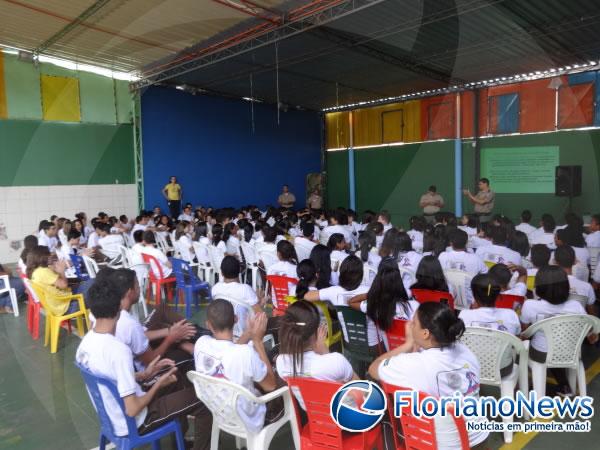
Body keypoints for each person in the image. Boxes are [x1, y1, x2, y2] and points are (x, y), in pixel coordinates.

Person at [76, 276, 211, 450]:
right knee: (204, 400)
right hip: (135, 421)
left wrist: (145, 374)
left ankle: (181, 445)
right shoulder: (118, 350)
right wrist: (159, 383)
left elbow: (109, 378)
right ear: (119, 308)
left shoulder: (85, 345)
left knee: (177, 382)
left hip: (111, 416)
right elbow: (133, 409)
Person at [369, 302, 488, 449]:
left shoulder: (414, 364)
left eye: (413, 323)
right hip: (480, 437)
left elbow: (373, 369)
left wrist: (407, 344)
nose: (409, 325)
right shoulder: (465, 350)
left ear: (425, 333)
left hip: (447, 445)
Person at [194, 300, 278, 433]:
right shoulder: (245, 353)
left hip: (218, 410)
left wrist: (249, 334)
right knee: (280, 381)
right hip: (248, 419)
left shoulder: (201, 344)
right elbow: (271, 386)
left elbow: (229, 350)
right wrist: (257, 341)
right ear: (235, 319)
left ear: (208, 324)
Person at [520, 265, 587, 397]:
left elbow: (525, 331)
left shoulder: (531, 305)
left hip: (541, 354)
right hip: (569, 352)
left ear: (539, 287)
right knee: (555, 346)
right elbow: (585, 327)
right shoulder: (576, 307)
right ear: (565, 286)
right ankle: (564, 385)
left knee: (526, 346)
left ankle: (525, 386)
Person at [276, 300, 356, 409]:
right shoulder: (336, 361)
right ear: (316, 333)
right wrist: (325, 353)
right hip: (349, 421)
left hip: (316, 422)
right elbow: (364, 391)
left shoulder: (281, 362)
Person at [349, 259, 420, 349]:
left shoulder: (374, 307)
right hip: (411, 353)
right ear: (399, 280)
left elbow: (351, 301)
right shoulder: (414, 306)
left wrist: (372, 293)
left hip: (390, 354)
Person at [459, 273, 520, 374]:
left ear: (474, 296)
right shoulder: (511, 315)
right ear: (498, 295)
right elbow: (516, 339)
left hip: (471, 368)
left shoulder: (464, 315)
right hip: (502, 370)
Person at [212, 256, 262, 337]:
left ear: (221, 272)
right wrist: (260, 302)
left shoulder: (215, 289)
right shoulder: (246, 289)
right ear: (239, 270)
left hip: (223, 331)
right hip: (244, 333)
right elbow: (259, 314)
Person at [554, 245, 596, 313]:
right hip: (579, 323)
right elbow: (591, 314)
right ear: (575, 261)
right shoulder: (587, 287)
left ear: (555, 262)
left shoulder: (548, 287)